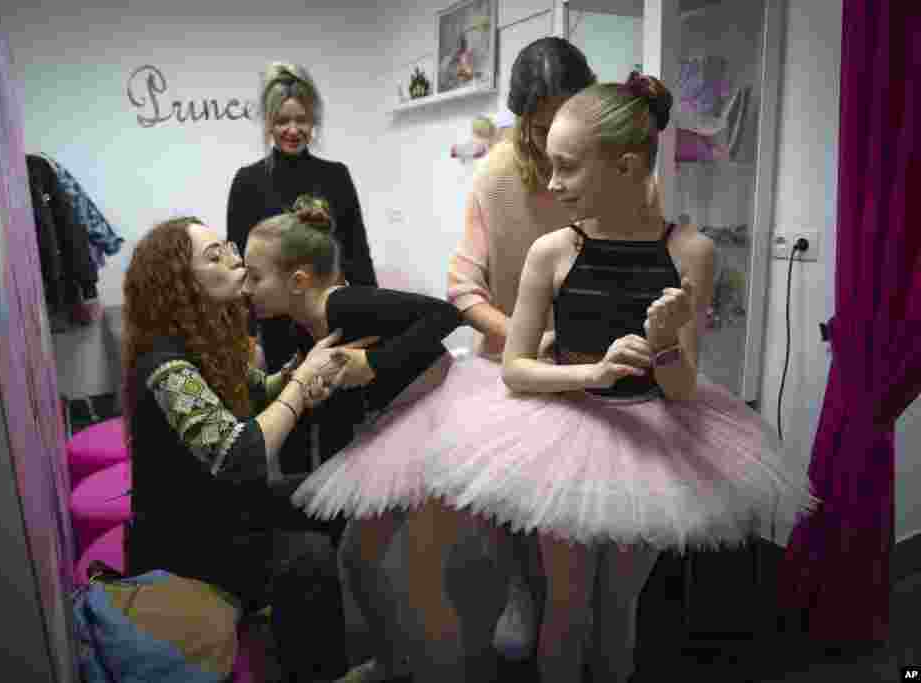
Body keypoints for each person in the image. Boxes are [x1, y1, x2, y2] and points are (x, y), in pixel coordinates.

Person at [421, 73, 819, 683]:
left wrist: (663, 345)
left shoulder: (692, 252)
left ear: (628, 166)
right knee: (568, 607)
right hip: (566, 437)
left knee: (619, 609)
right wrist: (593, 371)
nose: (552, 184)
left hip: (655, 443)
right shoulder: (552, 251)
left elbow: (682, 388)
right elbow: (516, 370)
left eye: (567, 168)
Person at [120, 216, 377, 683]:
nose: (234, 259)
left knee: (338, 494)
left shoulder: (202, 344)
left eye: (227, 247)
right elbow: (239, 456)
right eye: (213, 256)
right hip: (187, 539)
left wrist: (303, 369)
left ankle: (361, 642)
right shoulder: (166, 364)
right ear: (180, 284)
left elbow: (259, 389)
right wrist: (298, 388)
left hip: (223, 511)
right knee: (307, 560)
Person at [240, 195, 467, 683]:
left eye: (255, 276)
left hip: (438, 421)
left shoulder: (344, 301)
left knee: (415, 571)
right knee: (359, 558)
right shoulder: (309, 325)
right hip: (398, 422)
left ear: (298, 280)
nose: (247, 287)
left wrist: (374, 365)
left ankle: (436, 667)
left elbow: (444, 317)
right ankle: (391, 662)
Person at [439, 36, 600, 675]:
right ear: (520, 117)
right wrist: (521, 336)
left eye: (567, 124)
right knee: (518, 510)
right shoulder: (497, 174)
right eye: (538, 128)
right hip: (510, 366)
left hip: (588, 364)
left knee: (578, 530)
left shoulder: (604, 164)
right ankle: (520, 590)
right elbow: (462, 286)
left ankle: (580, 622)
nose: (551, 142)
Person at [227, 62, 378, 477]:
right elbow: (242, 271)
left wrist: (371, 324)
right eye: (282, 120)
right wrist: (245, 336)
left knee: (340, 434)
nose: (293, 129)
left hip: (332, 323)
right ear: (269, 124)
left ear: (314, 121)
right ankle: (299, 529)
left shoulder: (336, 176)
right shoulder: (247, 182)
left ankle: (339, 529)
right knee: (290, 432)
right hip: (276, 326)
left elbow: (358, 257)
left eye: (302, 119)